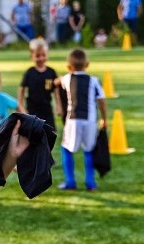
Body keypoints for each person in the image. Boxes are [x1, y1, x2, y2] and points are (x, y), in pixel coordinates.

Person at [57, 49, 106, 191]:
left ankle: (70, 181)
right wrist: (104, 119)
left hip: (72, 120)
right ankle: (90, 183)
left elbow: (57, 82)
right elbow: (102, 101)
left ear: (69, 67)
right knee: (89, 150)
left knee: (66, 149)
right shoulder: (94, 80)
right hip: (90, 120)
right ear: (87, 64)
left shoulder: (67, 78)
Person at [18, 38, 61, 132]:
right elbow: (22, 89)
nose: (41, 58)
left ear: (47, 55)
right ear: (32, 56)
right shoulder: (30, 73)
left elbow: (56, 90)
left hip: (47, 107)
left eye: (43, 55)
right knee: (33, 131)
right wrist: (20, 105)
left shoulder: (51, 72)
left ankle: (47, 147)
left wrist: (59, 106)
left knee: (50, 131)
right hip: (32, 108)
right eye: (37, 56)